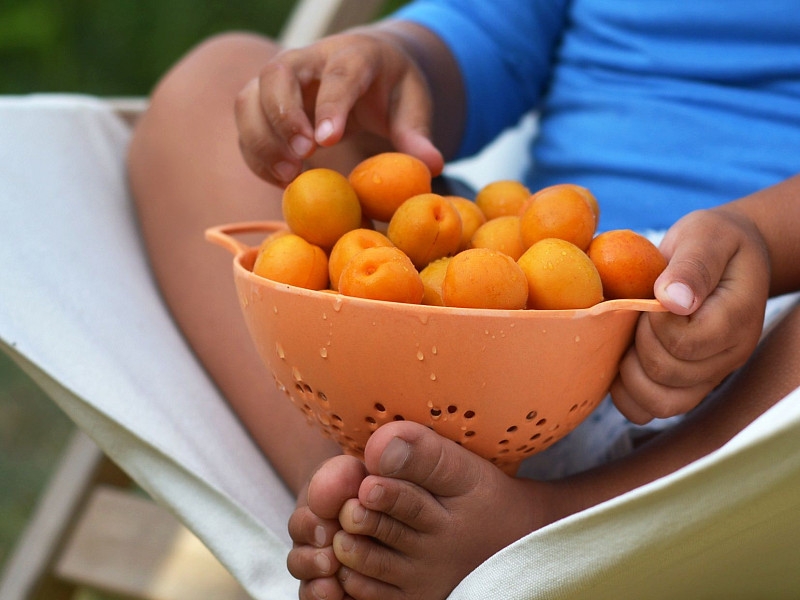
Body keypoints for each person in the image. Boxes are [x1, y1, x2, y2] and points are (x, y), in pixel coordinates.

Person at [126, 2, 800, 599]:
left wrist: (761, 239)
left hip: (760, 367)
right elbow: (492, 27)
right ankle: (352, 479)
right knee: (212, 84)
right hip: (515, 291)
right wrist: (400, 64)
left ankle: (541, 530)